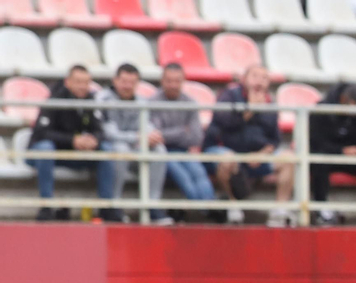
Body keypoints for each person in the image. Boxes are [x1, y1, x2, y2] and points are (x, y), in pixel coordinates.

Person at [204, 65, 294, 226]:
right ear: (244, 79)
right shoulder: (228, 96)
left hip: (257, 157)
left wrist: (263, 154)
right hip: (228, 151)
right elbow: (223, 125)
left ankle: (280, 210)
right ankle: (232, 205)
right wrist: (249, 110)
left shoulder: (270, 104)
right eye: (255, 76)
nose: (259, 81)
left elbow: (275, 139)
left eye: (264, 78)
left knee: (289, 159)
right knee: (226, 159)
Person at [28, 65, 114, 222]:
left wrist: (93, 140)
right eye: (78, 81)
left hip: (77, 153)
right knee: (45, 148)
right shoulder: (54, 99)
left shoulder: (92, 101)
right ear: (68, 82)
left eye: (86, 82)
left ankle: (106, 207)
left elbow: (101, 131)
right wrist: (72, 140)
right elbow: (41, 132)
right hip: (49, 153)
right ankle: (46, 206)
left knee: (107, 149)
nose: (82, 86)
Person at [146, 63, 216, 225]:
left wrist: (167, 134)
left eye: (177, 81)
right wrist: (182, 131)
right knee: (183, 176)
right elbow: (156, 136)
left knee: (199, 173)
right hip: (162, 152)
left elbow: (196, 138)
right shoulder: (152, 102)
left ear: (183, 81)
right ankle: (205, 211)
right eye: (169, 81)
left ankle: (212, 208)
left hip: (183, 151)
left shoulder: (190, 102)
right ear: (162, 81)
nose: (173, 85)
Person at [308, 83, 356, 226]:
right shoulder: (321, 110)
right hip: (328, 155)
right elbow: (316, 143)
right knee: (319, 160)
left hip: (354, 156)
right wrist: (342, 150)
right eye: (352, 105)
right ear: (343, 100)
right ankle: (321, 207)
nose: (354, 110)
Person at [93, 63, 149, 222]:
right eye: (124, 81)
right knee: (120, 149)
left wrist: (151, 136)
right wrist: (137, 137)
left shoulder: (142, 102)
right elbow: (108, 133)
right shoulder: (103, 99)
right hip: (109, 147)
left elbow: (147, 126)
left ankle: (152, 204)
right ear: (115, 80)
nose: (127, 86)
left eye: (132, 82)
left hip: (133, 146)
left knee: (158, 150)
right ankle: (113, 204)